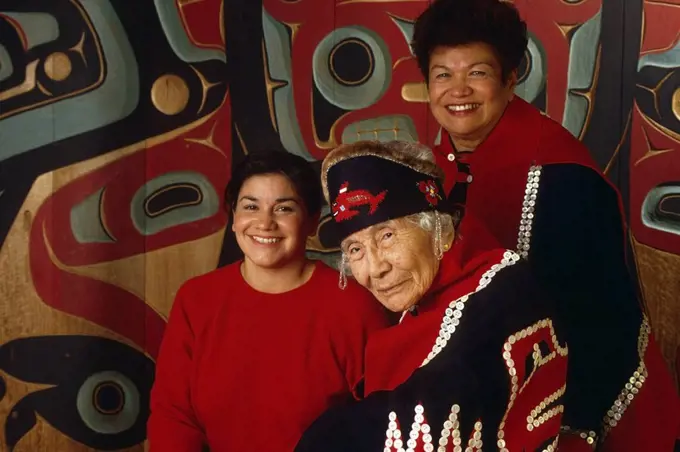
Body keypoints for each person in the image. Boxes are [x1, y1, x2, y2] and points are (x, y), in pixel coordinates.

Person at [412, 0, 680, 449]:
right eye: (443, 75)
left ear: (510, 79)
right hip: (475, 399)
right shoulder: (431, 171)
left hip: (568, 406)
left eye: (476, 72)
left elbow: (600, 321)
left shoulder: (562, 175)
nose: (458, 91)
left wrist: (576, 428)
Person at [295, 140, 569, 452]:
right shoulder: (418, 301)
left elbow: (439, 405)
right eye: (355, 250)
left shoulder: (501, 291)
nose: (375, 269)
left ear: (440, 230)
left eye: (387, 237)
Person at [147, 151, 389, 451]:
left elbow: (383, 421)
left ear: (312, 221)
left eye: (284, 209)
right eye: (251, 207)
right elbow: (173, 418)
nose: (265, 223)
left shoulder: (353, 305)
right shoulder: (196, 300)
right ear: (234, 218)